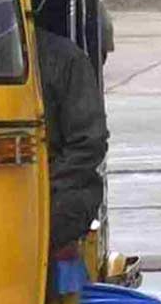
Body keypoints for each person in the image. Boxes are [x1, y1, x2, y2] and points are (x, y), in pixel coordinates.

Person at [36, 27, 108, 259]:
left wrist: (46, 184)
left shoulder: (63, 59)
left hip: (58, 187)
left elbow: (89, 142)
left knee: (57, 213)